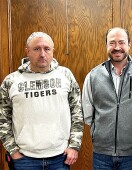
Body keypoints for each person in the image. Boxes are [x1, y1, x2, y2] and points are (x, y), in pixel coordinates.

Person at [0, 32, 84, 170]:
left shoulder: (65, 75)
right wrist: (13, 151)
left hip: (60, 157)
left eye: (47, 48)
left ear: (53, 51)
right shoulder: (11, 81)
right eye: (37, 49)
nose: (42, 54)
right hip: (24, 159)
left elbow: (77, 113)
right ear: (27, 51)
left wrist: (74, 146)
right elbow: (3, 118)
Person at [82, 27, 132, 170]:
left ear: (129, 45)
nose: (117, 47)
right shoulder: (93, 76)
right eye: (112, 43)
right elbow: (88, 114)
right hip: (102, 155)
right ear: (106, 45)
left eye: (122, 42)